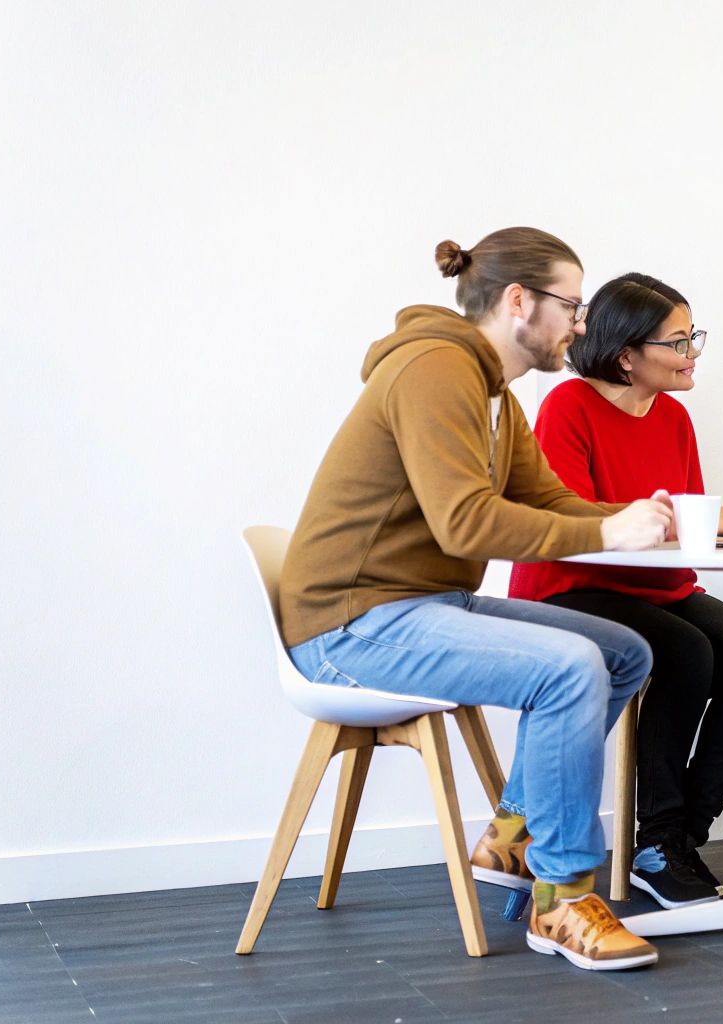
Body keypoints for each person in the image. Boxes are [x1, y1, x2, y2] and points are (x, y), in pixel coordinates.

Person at [278, 227, 672, 972]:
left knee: (623, 652)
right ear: (519, 301)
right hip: (350, 626)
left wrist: (642, 520)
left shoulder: (494, 396)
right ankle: (562, 898)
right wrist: (612, 531)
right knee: (568, 669)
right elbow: (463, 519)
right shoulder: (436, 371)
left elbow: (551, 500)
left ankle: (515, 837)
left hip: (421, 603)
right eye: (572, 305)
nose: (581, 325)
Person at [511, 272, 723, 909]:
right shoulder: (568, 406)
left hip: (654, 586)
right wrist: (688, 518)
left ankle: (673, 841)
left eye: (695, 337)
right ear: (626, 353)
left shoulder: (673, 417)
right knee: (687, 653)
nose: (693, 353)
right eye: (678, 340)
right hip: (571, 585)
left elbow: (682, 513)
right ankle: (661, 842)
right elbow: (572, 520)